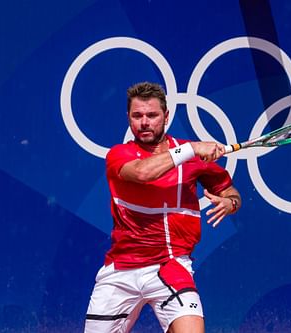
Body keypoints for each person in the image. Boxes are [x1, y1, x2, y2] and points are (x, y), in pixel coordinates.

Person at [84, 82, 241, 333]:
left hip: (171, 265)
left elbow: (230, 192)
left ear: (166, 117)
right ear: (128, 118)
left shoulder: (193, 158)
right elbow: (144, 173)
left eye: (152, 115)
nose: (144, 122)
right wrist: (192, 148)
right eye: (137, 116)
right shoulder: (118, 155)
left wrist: (230, 203)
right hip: (121, 271)